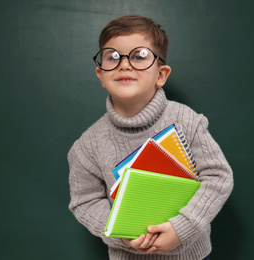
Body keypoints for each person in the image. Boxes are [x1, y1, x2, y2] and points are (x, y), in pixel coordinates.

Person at [68, 14, 234, 260]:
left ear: (161, 75)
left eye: (139, 56)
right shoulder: (86, 147)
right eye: (113, 57)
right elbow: (85, 202)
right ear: (100, 74)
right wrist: (122, 235)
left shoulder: (187, 120)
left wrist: (182, 228)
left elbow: (218, 177)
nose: (124, 64)